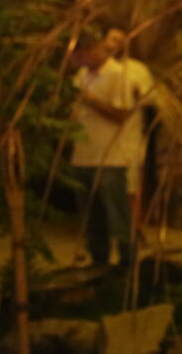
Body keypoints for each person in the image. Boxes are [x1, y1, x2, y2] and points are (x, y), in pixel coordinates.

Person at [69, 32, 148, 266]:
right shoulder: (83, 75)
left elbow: (122, 114)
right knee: (91, 216)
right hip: (82, 154)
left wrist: (89, 100)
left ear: (91, 51)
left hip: (110, 156)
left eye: (79, 57)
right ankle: (98, 260)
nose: (77, 63)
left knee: (117, 213)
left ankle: (127, 262)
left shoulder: (117, 74)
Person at [102, 28, 155, 236]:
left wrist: (137, 93)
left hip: (129, 135)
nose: (115, 43)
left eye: (120, 40)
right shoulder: (98, 68)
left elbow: (151, 98)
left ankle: (135, 228)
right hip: (101, 137)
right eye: (112, 39)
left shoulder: (137, 70)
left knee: (131, 184)